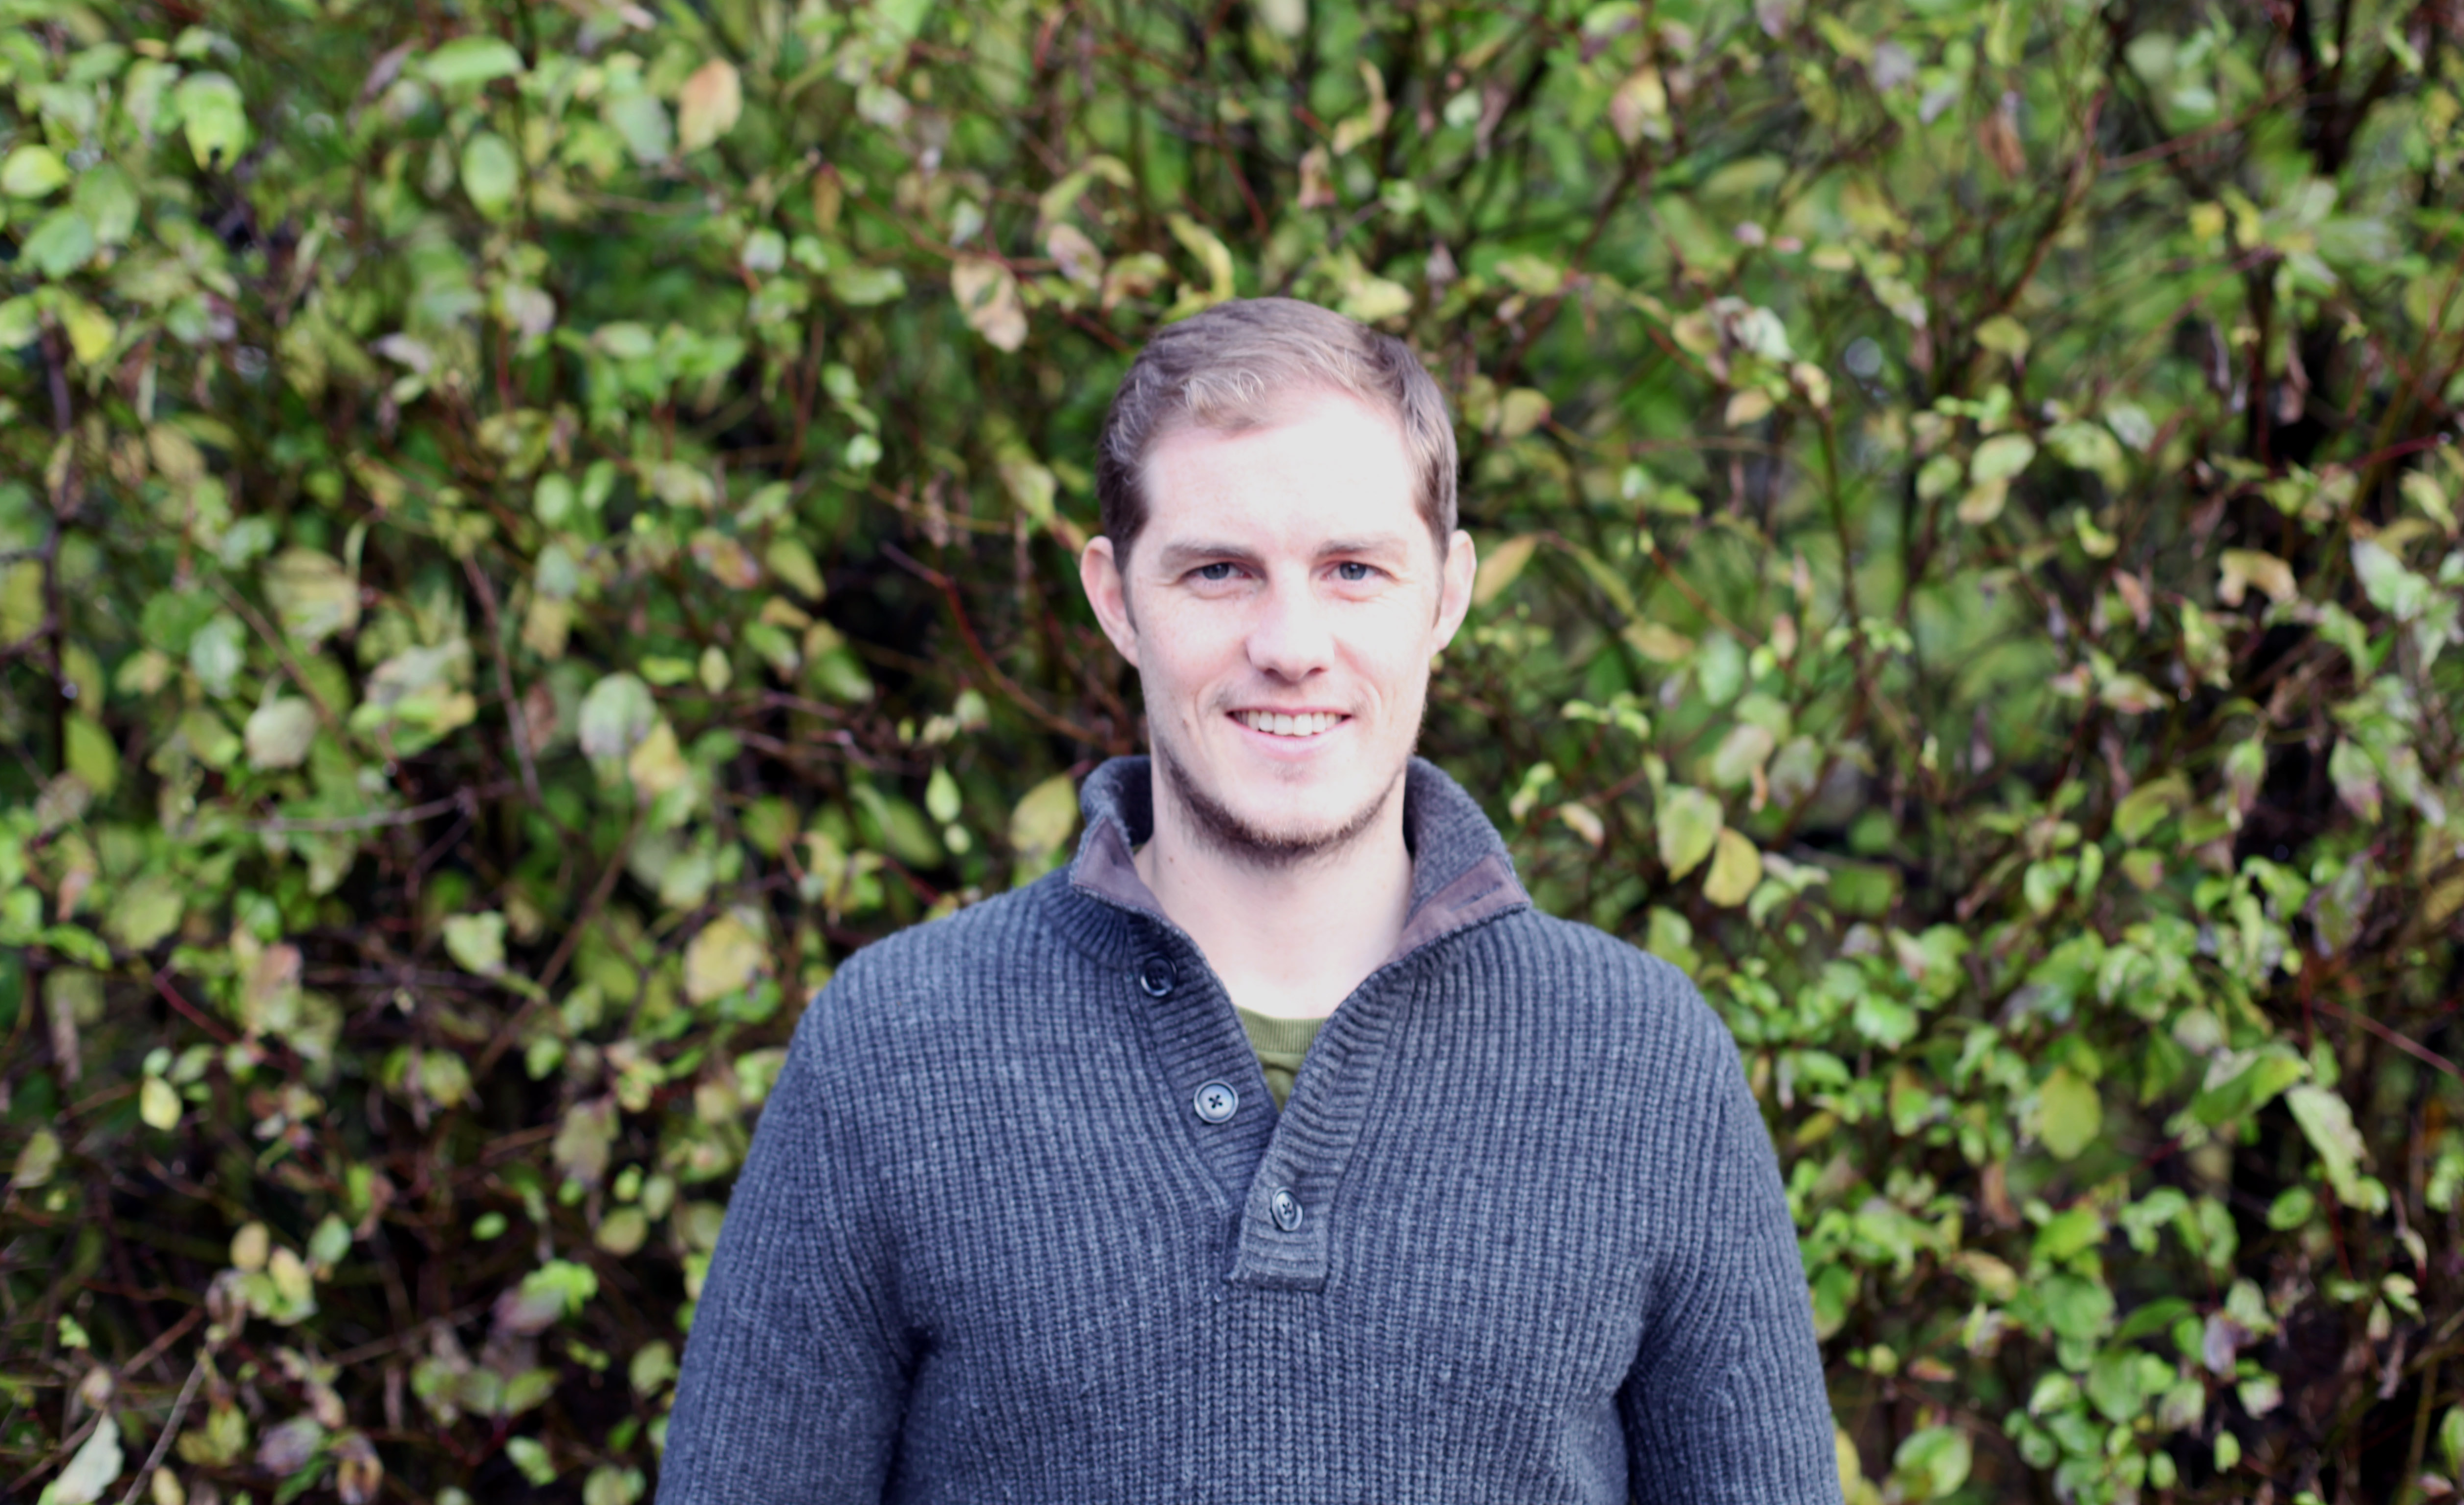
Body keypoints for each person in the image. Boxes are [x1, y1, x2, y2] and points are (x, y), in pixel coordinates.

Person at [658, 298, 1839, 1503]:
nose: (1291, 643)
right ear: (1117, 600)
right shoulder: (893, 1054)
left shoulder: (1645, 1067)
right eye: (1219, 571)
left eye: (1354, 571)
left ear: (1446, 595)